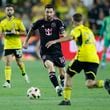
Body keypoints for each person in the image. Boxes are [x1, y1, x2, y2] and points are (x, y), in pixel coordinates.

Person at [46, 13, 110, 105]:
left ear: (73, 21)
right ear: (82, 21)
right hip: (94, 59)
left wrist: (55, 41)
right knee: (89, 83)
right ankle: (105, 83)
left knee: (67, 75)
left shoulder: (77, 29)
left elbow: (70, 37)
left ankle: (66, 100)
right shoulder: (89, 31)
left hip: (82, 57)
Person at [23, 4, 66, 96]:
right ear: (45, 12)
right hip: (45, 52)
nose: (49, 14)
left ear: (53, 12)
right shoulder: (39, 22)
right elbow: (31, 30)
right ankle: (57, 88)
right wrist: (26, 41)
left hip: (57, 51)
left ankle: (62, 80)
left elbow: (65, 36)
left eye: (51, 12)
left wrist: (55, 41)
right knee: (50, 67)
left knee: (62, 72)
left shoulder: (58, 22)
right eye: (47, 12)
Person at [0, 4, 30, 88]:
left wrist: (16, 32)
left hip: (17, 45)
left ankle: (24, 74)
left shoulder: (18, 21)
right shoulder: (2, 22)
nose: (9, 11)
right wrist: (4, 33)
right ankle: (7, 82)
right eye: (8, 10)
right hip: (8, 45)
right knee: (8, 62)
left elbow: (25, 32)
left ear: (13, 11)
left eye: (11, 10)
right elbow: (0, 33)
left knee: (19, 63)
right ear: (5, 11)